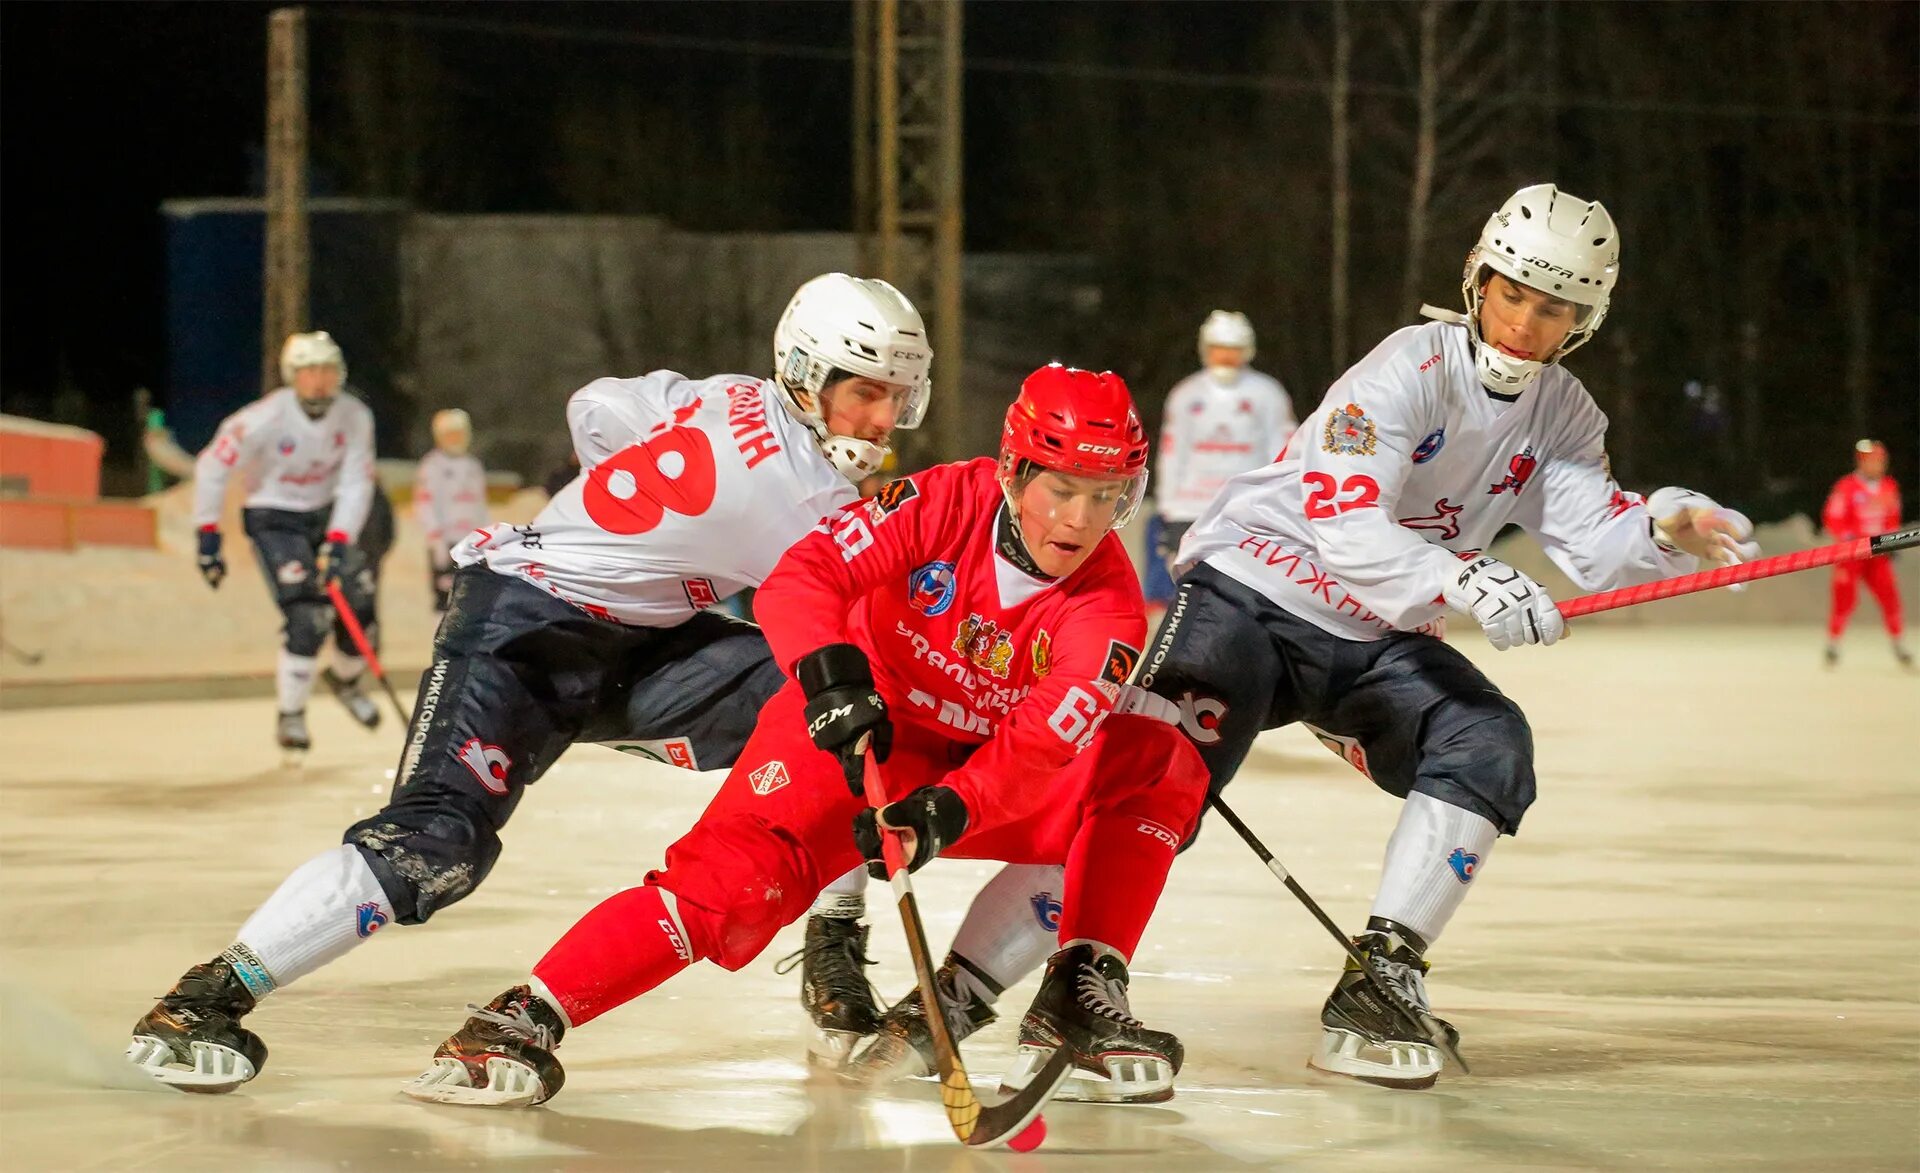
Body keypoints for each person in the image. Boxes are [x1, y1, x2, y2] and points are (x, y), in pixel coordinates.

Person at [860, 183, 1762, 1097]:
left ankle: (1379, 980)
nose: (1525, 322)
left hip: (1376, 635)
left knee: (1489, 740)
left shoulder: (1563, 412)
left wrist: (1659, 525)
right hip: (1256, 589)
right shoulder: (1406, 369)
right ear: (1478, 279)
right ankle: (991, 992)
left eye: (1555, 306)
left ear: (1586, 318)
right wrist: (1464, 575)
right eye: (1512, 292)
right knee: (1146, 764)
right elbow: (1347, 527)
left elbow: (1594, 537)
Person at [127, 274, 932, 1092]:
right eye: (865, 391)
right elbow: (861, 602)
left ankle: (830, 936)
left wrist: (628, 525)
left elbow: (597, 406)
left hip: (626, 638)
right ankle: (204, 1000)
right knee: (434, 846)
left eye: (897, 396)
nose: (880, 419)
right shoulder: (804, 495)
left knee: (834, 706)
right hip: (525, 630)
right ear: (804, 371)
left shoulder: (728, 394)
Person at [400, 365, 1210, 1109]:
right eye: (1063, 488)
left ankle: (1049, 994)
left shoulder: (1106, 605)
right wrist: (830, 680)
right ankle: (521, 1016)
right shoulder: (940, 502)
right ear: (1013, 470)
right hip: (860, 730)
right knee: (738, 888)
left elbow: (1038, 744)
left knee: (1158, 759)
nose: (1080, 520)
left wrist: (946, 812)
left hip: (976, 767)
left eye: (1108, 495)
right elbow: (804, 577)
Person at [190, 332, 382, 752]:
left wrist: (339, 539)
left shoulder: (355, 416)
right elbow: (211, 468)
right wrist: (207, 535)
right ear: (293, 376)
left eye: (328, 371)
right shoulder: (261, 419)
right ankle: (291, 713)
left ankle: (346, 682)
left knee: (361, 607)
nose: (319, 381)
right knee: (307, 616)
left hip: (324, 514)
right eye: (310, 371)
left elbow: (355, 482)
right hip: (274, 517)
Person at [1145, 311, 1296, 611]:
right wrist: (1168, 505)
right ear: (1205, 349)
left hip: (1246, 506)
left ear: (1247, 351)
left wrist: (1281, 501)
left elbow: (1284, 450)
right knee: (1187, 588)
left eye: (1233, 350)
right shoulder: (1186, 394)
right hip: (1190, 507)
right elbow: (1173, 452)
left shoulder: (1268, 393)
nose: (1225, 357)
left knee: (1244, 586)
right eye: (1218, 348)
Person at [1823, 438, 1910, 668]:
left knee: (1889, 596)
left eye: (1881, 461)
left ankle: (1899, 644)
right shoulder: (1846, 487)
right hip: (1852, 554)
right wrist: (1847, 538)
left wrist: (1893, 543)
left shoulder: (1889, 486)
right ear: (1862, 462)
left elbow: (1892, 518)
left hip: (1878, 553)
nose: (1877, 466)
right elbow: (1833, 516)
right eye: (1872, 461)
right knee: (1845, 598)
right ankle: (1833, 645)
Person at [415, 409, 490, 612]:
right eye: (450, 434)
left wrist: (486, 537)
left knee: (472, 596)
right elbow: (426, 504)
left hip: (470, 541)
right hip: (446, 542)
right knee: (445, 598)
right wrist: (435, 538)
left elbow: (480, 505)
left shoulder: (473, 466)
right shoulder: (432, 466)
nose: (456, 439)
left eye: (459, 433)